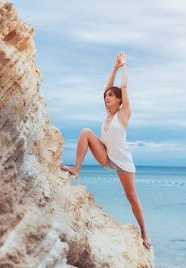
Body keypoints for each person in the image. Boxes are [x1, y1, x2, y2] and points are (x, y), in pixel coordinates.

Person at [60, 52, 152, 249]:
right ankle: (76, 168)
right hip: (107, 157)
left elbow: (124, 86)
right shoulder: (107, 115)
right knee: (85, 132)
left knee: (132, 198)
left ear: (119, 100)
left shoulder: (124, 114)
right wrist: (114, 67)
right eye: (105, 96)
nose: (106, 97)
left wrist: (124, 65)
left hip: (124, 163)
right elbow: (106, 87)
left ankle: (144, 232)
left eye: (111, 95)